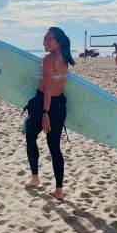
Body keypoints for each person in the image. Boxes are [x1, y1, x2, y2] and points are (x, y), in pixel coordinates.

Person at [23, 27, 75, 200]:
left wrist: (45, 112)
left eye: (49, 39)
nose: (45, 41)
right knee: (54, 148)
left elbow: (48, 89)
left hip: (44, 104)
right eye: (44, 38)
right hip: (60, 105)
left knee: (30, 136)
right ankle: (59, 190)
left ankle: (35, 177)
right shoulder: (64, 59)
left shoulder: (47, 60)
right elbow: (56, 86)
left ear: (58, 42)